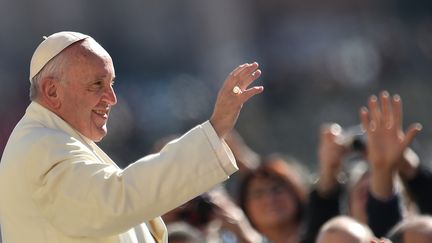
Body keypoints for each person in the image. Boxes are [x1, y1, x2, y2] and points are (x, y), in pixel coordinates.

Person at [0, 31, 264, 243]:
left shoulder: (54, 138)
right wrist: (215, 127)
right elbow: (115, 200)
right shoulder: (40, 146)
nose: (112, 99)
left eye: (112, 84)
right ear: (53, 91)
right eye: (97, 85)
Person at [238, 154, 308, 243]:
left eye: (277, 190)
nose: (269, 200)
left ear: (296, 192)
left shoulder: (324, 234)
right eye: (258, 194)